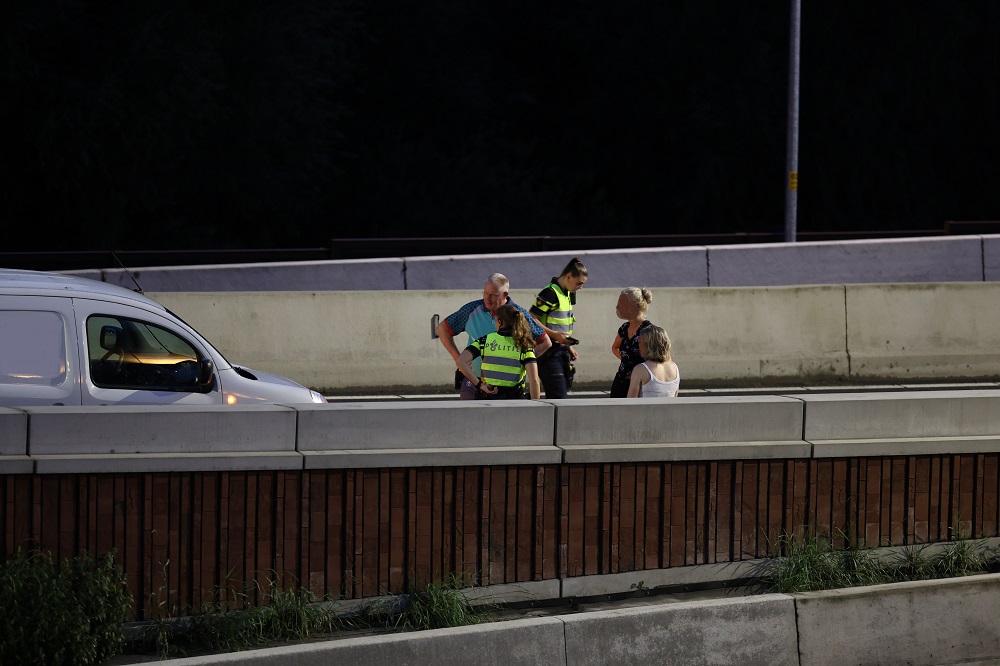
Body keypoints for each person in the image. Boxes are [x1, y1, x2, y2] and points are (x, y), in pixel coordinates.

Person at [436, 273, 551, 399]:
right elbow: (442, 329)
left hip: (508, 388)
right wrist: (459, 359)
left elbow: (545, 342)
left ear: (505, 295)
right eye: (485, 293)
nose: (487, 298)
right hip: (473, 382)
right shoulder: (471, 310)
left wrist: (524, 360)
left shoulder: (518, 314)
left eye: (493, 295)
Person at [530, 257, 588, 399]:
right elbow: (530, 318)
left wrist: (568, 346)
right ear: (568, 277)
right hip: (548, 353)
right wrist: (554, 335)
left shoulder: (567, 293)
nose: (580, 287)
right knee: (559, 397)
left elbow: (560, 324)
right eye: (579, 283)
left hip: (560, 351)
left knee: (561, 395)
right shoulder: (550, 293)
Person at [456, 304, 541, 400]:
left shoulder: (485, 341)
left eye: (495, 321)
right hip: (514, 401)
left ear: (500, 322)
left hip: (489, 399)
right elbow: (534, 380)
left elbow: (460, 361)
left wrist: (480, 385)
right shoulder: (524, 345)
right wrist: (536, 406)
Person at [610, 286, 654, 398]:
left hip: (641, 385)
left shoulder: (649, 330)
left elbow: (658, 358)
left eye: (623, 303)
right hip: (620, 382)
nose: (618, 307)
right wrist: (626, 360)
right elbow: (615, 347)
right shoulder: (624, 328)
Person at [627, 324, 680, 398]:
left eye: (639, 342)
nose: (638, 345)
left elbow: (630, 402)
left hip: (646, 409)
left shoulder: (640, 369)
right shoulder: (675, 368)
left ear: (648, 344)